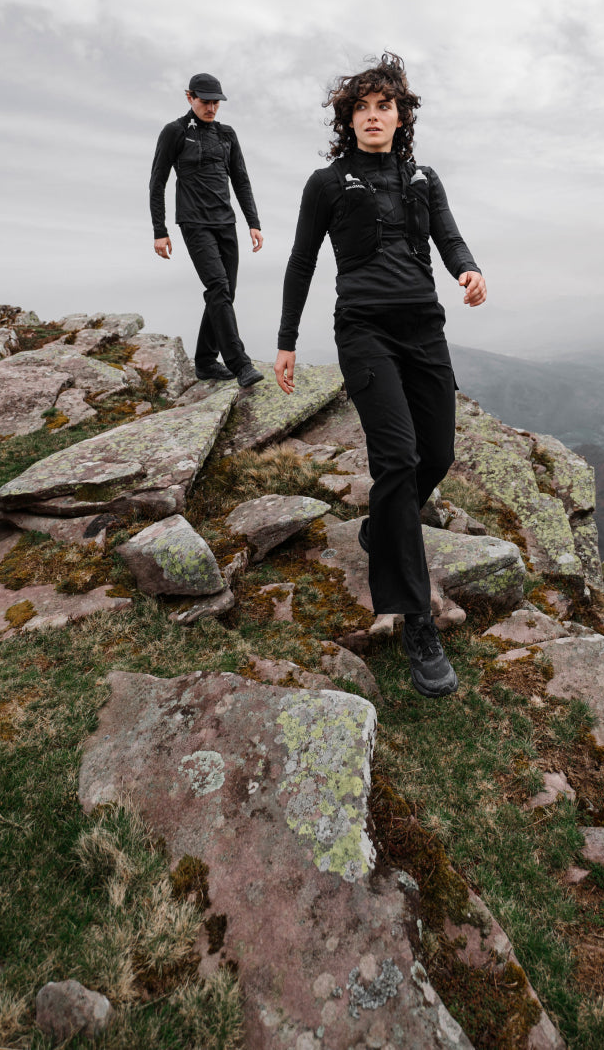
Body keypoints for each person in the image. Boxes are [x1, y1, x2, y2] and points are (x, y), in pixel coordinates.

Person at [274, 53, 486, 697]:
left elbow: (449, 238)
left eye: (384, 106)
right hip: (364, 332)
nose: (373, 116)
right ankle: (416, 620)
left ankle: (381, 528)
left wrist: (469, 269)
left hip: (424, 328)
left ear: (400, 116)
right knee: (397, 459)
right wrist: (286, 342)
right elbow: (302, 261)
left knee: (437, 454)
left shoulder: (424, 178)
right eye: (361, 108)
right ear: (348, 120)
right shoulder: (327, 183)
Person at [150, 72, 264, 389]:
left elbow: (241, 180)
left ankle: (204, 361)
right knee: (218, 287)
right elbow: (157, 182)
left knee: (224, 293)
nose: (211, 108)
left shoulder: (227, 134)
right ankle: (240, 364)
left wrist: (253, 222)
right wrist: (159, 230)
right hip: (194, 222)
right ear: (190, 97)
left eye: (216, 103)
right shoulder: (174, 132)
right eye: (205, 102)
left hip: (226, 222)